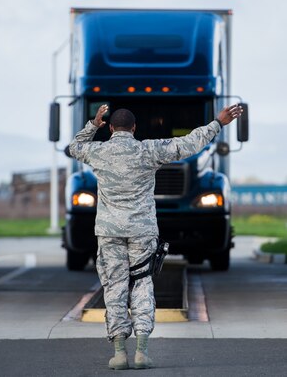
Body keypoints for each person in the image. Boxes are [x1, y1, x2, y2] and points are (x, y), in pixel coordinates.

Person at [69, 103, 242, 370]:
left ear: (112, 128)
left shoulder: (98, 151)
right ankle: (142, 351)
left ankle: (118, 353)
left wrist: (93, 124)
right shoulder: (148, 150)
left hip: (109, 232)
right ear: (134, 128)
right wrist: (217, 123)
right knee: (142, 285)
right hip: (142, 231)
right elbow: (188, 144)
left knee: (114, 288)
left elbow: (74, 147)